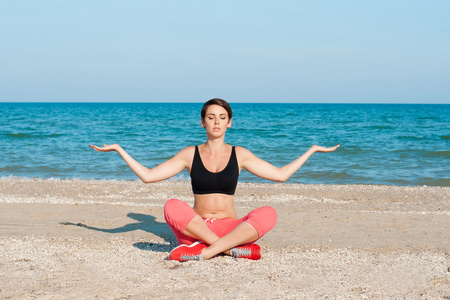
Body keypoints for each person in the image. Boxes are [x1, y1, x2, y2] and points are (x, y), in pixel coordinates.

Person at [90, 98, 339, 262]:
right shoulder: (190, 154)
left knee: (268, 213)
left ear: (229, 123)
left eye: (222, 117)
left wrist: (312, 150)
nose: (216, 121)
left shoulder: (240, 154)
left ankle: (206, 251)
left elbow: (281, 175)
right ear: (202, 122)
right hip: (196, 228)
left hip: (229, 227)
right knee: (171, 206)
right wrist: (119, 149)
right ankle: (228, 250)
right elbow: (148, 176)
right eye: (211, 117)